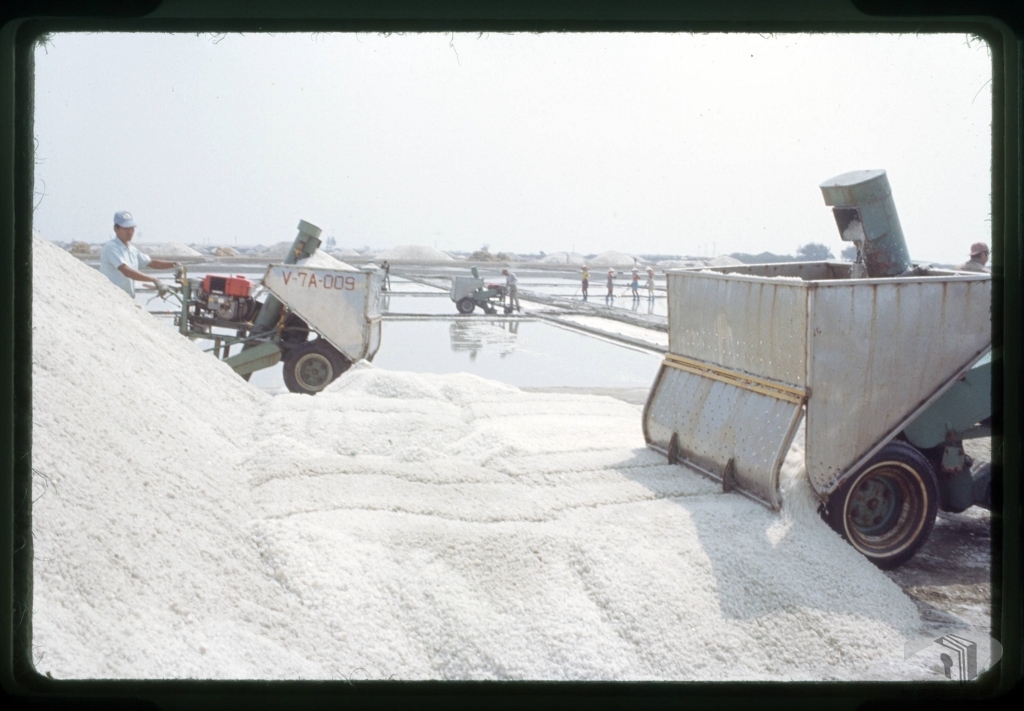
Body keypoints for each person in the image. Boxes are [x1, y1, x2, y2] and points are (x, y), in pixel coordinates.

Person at [98, 210, 179, 299]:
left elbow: (151, 262)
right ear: (116, 229)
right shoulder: (111, 247)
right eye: (126, 229)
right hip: (111, 297)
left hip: (127, 298)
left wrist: (174, 264)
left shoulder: (132, 250)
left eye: (132, 228)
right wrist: (154, 280)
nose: (130, 232)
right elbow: (126, 271)